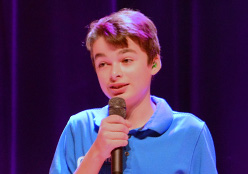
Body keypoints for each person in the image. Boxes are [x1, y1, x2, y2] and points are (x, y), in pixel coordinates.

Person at [50, 9, 218, 174]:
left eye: (126, 60)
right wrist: (96, 153)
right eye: (103, 64)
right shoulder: (80, 127)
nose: (114, 74)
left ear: (154, 63)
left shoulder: (190, 132)